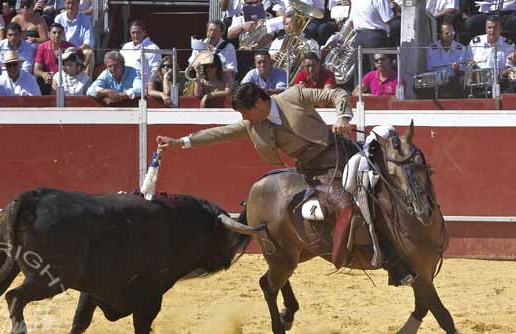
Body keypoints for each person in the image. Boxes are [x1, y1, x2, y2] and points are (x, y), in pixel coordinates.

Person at [156, 82, 416, 286]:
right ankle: (385, 261)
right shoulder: (253, 124)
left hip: (344, 151)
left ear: (258, 103)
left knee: (389, 185)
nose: (244, 117)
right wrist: (182, 142)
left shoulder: (294, 96)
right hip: (317, 173)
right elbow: (221, 133)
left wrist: (342, 117)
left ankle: (411, 244)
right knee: (347, 205)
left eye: (245, 111)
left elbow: (336, 94)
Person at [422, 21, 466, 99]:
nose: (450, 35)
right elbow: (429, 70)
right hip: (436, 80)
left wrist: (457, 70)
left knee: (459, 83)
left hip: (453, 79)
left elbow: (462, 73)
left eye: (452, 33)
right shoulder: (431, 49)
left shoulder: (461, 48)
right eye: (447, 33)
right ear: (440, 34)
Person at [349, 0, 393, 74]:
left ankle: (359, 85)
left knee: (360, 72)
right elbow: (387, 19)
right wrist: (395, 9)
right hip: (375, 36)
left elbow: (351, 22)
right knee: (378, 71)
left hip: (359, 36)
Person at [55, 0, 94, 78]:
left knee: (89, 53)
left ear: (78, 4)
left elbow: (89, 41)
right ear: (64, 4)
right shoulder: (58, 18)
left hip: (80, 50)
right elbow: (57, 38)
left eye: (73, 3)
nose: (70, 6)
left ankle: (85, 83)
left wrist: (77, 50)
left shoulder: (85, 19)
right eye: (68, 3)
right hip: (64, 49)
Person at [34, 22, 73, 94]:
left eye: (60, 33)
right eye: (54, 33)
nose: (57, 35)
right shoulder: (42, 47)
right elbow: (36, 70)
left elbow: (73, 68)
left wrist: (57, 77)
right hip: (49, 79)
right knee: (39, 79)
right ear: (49, 34)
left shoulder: (69, 48)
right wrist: (44, 74)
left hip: (65, 78)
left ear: (63, 34)